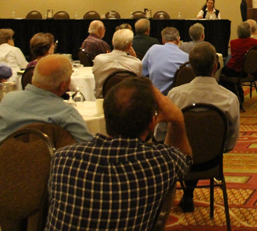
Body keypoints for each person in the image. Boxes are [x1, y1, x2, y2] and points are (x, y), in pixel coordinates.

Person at [45, 77, 192, 231]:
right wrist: (177, 119)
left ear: (106, 116)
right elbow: (185, 159)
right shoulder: (162, 162)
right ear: (151, 123)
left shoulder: (62, 159)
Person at [156, 42, 240, 213]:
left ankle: (186, 192)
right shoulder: (229, 98)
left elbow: (160, 135)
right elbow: (230, 143)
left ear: (191, 67)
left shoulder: (175, 95)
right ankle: (189, 191)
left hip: (176, 160)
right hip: (212, 161)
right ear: (216, 66)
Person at [0, 54, 93, 147]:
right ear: (63, 86)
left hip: (3, 164)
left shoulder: (7, 101)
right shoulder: (66, 112)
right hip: (49, 165)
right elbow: (88, 148)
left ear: (34, 77)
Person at [92, 29, 142, 98]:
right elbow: (138, 85)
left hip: (103, 102)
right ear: (130, 46)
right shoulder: (136, 63)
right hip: (128, 102)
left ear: (112, 42)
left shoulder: (98, 59)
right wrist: (134, 57)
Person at [141, 27, 189, 95]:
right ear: (178, 40)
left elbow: (142, 72)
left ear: (163, 40)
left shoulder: (153, 49)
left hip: (154, 98)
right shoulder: (187, 57)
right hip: (177, 99)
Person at [220, 22, 257, 102]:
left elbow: (233, 55)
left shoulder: (233, 43)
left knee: (220, 73)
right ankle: (238, 92)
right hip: (246, 71)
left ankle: (232, 95)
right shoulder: (254, 42)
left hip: (234, 70)